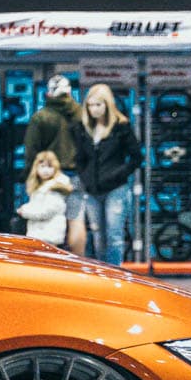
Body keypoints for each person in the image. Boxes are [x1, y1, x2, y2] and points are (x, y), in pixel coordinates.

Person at [76, 83, 140, 268]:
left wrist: (118, 174)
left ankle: (114, 271)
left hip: (116, 188)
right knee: (97, 234)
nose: (94, 109)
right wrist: (85, 178)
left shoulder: (121, 127)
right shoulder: (83, 128)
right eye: (90, 105)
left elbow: (136, 157)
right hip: (92, 189)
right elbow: (79, 158)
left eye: (98, 105)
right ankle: (102, 272)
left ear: (108, 105)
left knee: (114, 234)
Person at [23, 73, 87, 252]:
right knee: (76, 221)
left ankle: (47, 262)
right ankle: (79, 262)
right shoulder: (81, 115)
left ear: (48, 94)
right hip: (76, 175)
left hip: (48, 177)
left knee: (46, 223)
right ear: (70, 93)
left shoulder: (41, 117)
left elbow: (31, 149)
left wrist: (29, 176)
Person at [18, 150, 75, 247]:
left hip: (48, 235)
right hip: (39, 235)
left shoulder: (56, 187)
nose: (46, 170)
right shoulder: (39, 186)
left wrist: (24, 211)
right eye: (42, 166)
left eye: (49, 166)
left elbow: (46, 212)